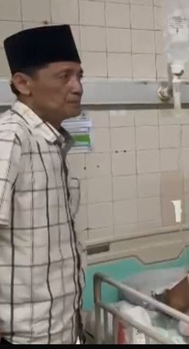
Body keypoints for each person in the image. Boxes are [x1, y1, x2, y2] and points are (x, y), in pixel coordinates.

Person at [0, 25, 86, 344]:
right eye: (64, 76)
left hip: (60, 329)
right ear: (23, 83)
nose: (77, 87)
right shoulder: (11, 137)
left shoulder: (51, 141)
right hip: (23, 337)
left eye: (79, 76)